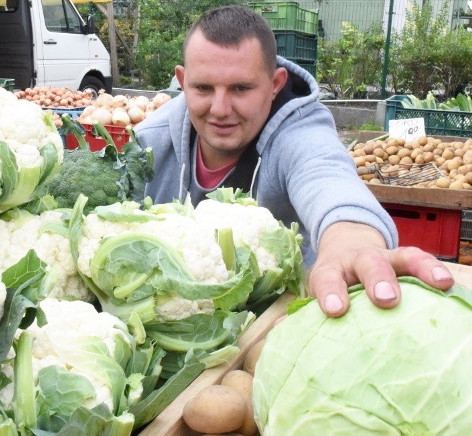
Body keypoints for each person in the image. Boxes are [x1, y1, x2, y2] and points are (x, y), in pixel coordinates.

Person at [133, 5, 454, 317]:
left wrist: (353, 241)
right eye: (203, 87)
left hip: (277, 328)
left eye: (241, 88)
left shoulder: (299, 133)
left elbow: (326, 174)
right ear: (182, 79)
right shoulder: (149, 142)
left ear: (275, 84)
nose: (220, 108)